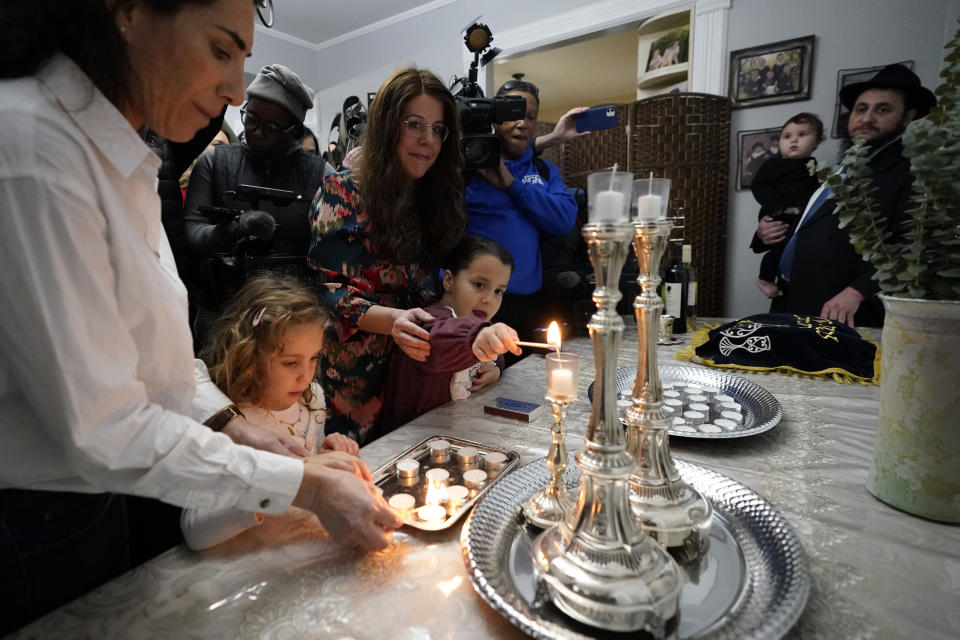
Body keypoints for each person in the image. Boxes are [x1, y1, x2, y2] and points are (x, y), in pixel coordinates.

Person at [0, 1, 399, 633]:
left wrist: (233, 427)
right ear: (128, 13)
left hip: (102, 499)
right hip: (34, 521)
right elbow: (104, 427)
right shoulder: (34, 149)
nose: (236, 91)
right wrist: (305, 484)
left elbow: (151, 354)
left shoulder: (120, 157)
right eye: (220, 50)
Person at [307, 67, 466, 444]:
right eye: (414, 124)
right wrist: (394, 320)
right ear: (387, 126)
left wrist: (474, 361)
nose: (428, 140)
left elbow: (440, 294)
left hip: (415, 373)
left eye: (438, 129)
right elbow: (328, 293)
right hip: (353, 380)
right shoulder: (342, 192)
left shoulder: (432, 200)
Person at [182, 275, 358, 550]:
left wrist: (327, 452)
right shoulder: (222, 420)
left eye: (313, 358)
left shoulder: (312, 398)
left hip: (297, 545)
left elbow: (306, 466)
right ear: (249, 355)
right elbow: (195, 531)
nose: (306, 375)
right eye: (290, 362)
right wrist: (272, 484)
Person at [768, 64, 937, 327]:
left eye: (883, 109)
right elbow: (810, 224)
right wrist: (765, 234)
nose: (867, 118)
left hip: (842, 311)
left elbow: (914, 247)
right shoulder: (842, 168)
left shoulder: (911, 172)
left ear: (906, 117)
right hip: (792, 298)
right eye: (861, 109)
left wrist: (858, 291)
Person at [183, 63, 336, 344]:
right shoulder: (214, 163)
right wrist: (230, 231)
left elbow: (334, 252)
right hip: (222, 317)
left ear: (294, 130)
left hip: (293, 321)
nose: (257, 132)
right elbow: (192, 231)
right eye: (250, 118)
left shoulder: (322, 176)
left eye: (272, 127)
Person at [463, 79, 578, 354]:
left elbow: (563, 220)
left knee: (519, 390)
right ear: (496, 120)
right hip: (473, 306)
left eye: (530, 117)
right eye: (514, 114)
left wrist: (512, 185)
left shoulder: (545, 171)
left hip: (526, 306)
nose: (523, 123)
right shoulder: (466, 170)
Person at [379, 236, 521, 432]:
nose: (489, 299)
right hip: (411, 443)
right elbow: (438, 344)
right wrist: (479, 338)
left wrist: (495, 368)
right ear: (448, 281)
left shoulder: (478, 324)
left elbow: (489, 350)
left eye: (498, 291)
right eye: (479, 285)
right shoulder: (429, 319)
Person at [749, 113, 824, 302]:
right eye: (787, 136)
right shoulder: (775, 164)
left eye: (802, 135)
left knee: (796, 249)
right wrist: (775, 206)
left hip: (802, 219)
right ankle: (765, 279)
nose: (794, 140)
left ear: (817, 142)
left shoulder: (817, 168)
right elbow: (759, 184)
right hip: (778, 212)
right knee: (779, 249)